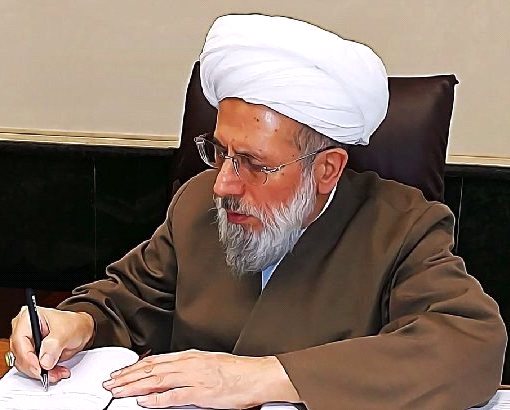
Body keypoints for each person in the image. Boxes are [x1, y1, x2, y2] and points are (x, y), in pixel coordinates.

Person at [9, 14, 506, 410]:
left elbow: (471, 347)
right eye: (221, 152)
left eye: (254, 163)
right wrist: (75, 321)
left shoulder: (402, 227)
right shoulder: (199, 205)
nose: (223, 183)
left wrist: (264, 377)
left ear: (326, 169)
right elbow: (128, 300)